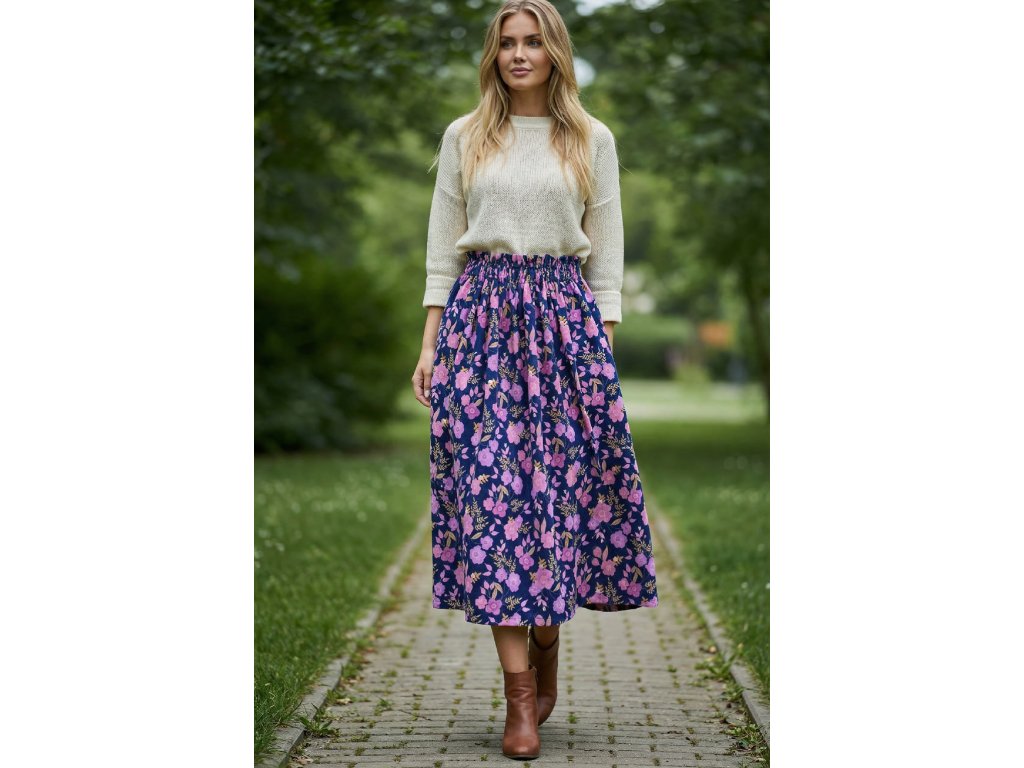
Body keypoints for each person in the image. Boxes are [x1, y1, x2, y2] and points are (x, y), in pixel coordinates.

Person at [410, 0, 659, 760]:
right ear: (494, 55)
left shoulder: (590, 138)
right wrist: (429, 347)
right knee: (492, 500)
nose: (519, 54)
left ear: (555, 52)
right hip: (480, 326)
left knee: (556, 501)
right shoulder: (465, 136)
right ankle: (519, 700)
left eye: (533, 42)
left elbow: (606, 251)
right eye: (507, 43)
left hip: (562, 325)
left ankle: (547, 641)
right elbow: (442, 249)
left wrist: (599, 345)